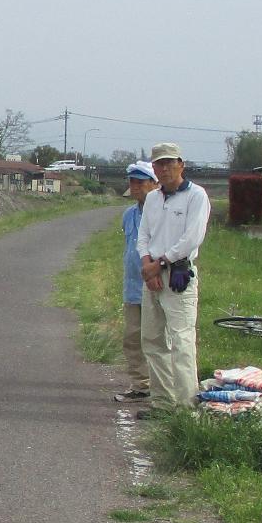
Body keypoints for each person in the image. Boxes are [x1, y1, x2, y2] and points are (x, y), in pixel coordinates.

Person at [135, 143, 209, 414]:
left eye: (169, 163)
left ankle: (187, 405)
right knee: (152, 340)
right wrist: (147, 265)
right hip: (153, 274)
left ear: (181, 164)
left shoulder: (196, 196)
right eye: (159, 164)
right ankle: (163, 403)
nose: (164, 168)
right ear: (153, 169)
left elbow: (192, 237)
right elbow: (143, 236)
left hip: (178, 273)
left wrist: (161, 263)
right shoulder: (153, 198)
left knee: (181, 340)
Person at [116, 161, 157, 402]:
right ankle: (141, 385)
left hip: (156, 286)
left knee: (157, 339)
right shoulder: (129, 214)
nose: (135, 187)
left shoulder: (160, 212)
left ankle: (161, 387)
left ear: (153, 184)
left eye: (140, 182)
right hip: (132, 286)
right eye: (132, 182)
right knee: (132, 337)